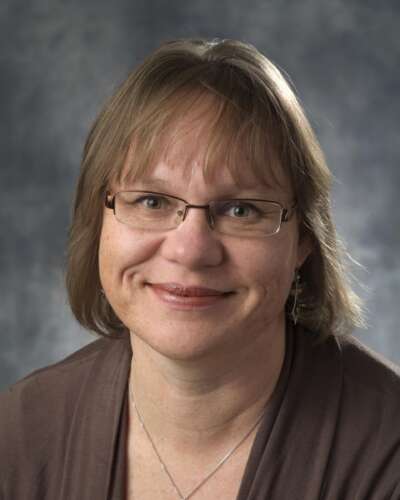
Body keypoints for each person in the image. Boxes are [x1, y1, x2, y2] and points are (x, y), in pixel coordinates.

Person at [1, 38, 399, 500]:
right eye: (151, 201)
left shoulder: (387, 450)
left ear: (303, 242)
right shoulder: (20, 437)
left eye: (241, 211)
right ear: (99, 222)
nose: (190, 250)